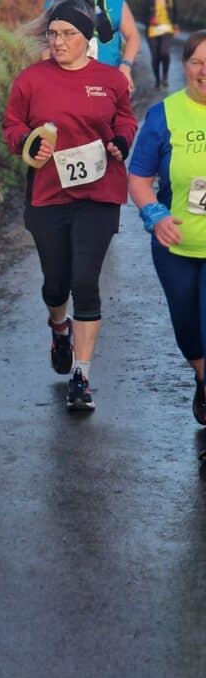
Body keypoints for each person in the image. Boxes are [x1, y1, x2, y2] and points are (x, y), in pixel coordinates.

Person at [3, 0, 137, 411]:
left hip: (98, 193)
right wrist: (27, 142)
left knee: (85, 282)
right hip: (48, 195)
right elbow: (12, 126)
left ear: (85, 37)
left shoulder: (111, 80)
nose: (57, 41)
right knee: (56, 284)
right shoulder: (30, 80)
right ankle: (58, 328)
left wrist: (121, 141)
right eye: (52, 34)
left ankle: (81, 375)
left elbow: (125, 119)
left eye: (66, 34)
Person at [128, 29, 206, 424]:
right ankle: (202, 375)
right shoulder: (163, 116)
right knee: (188, 328)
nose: (205, 71)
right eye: (197, 62)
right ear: (184, 65)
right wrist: (154, 215)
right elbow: (139, 179)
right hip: (175, 248)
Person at [46, 0, 140, 91]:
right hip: (68, 82)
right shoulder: (56, 2)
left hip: (107, 81)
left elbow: (133, 36)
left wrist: (126, 67)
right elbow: (45, 44)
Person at [142, 0, 179, 89]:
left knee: (165, 53)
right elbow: (143, 17)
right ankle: (157, 80)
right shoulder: (148, 1)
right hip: (152, 31)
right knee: (155, 57)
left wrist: (176, 26)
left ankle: (165, 77)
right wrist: (150, 20)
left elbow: (176, 13)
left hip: (167, 29)